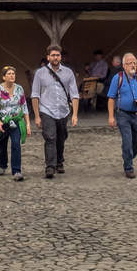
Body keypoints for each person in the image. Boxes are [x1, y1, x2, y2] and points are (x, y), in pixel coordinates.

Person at [30, 44, 80, 179]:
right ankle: (50, 166)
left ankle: (59, 161)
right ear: (48, 57)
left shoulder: (68, 72)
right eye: (53, 55)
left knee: (61, 137)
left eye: (57, 55)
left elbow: (75, 95)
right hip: (46, 110)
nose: (55, 57)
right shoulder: (40, 73)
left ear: (60, 57)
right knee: (50, 137)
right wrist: (37, 116)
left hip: (63, 111)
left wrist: (75, 114)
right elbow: (35, 95)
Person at [107, 52, 137, 179]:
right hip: (122, 114)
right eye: (130, 63)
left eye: (134, 63)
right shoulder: (118, 78)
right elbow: (111, 98)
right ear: (124, 65)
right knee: (127, 140)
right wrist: (111, 117)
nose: (133, 65)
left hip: (136, 114)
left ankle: (127, 157)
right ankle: (129, 168)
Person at [0, 65, 28, 180]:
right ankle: (2, 165)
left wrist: (28, 124)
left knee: (16, 144)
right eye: (9, 74)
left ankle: (16, 171)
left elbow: (24, 106)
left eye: (13, 74)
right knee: (2, 144)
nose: (12, 75)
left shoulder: (19, 89)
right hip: (3, 121)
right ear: (4, 77)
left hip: (16, 120)